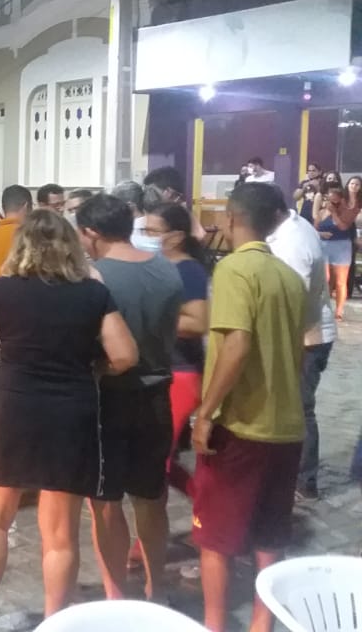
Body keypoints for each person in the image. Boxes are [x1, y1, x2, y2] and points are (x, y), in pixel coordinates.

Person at [0, 210, 138, 632]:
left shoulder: (3, 290)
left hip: (12, 412)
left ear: (21, 245)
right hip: (69, 414)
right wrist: (95, 370)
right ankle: (54, 622)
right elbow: (126, 355)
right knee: (59, 535)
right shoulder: (92, 295)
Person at [191, 182, 306, 632]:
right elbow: (296, 353)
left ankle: (215, 625)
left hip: (241, 426)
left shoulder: (235, 270)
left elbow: (236, 345)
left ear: (233, 218)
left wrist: (205, 412)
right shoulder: (289, 277)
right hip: (286, 424)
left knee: (215, 538)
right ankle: (263, 624)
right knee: (269, 533)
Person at [75, 193, 183, 602]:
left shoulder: (93, 278)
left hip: (108, 398)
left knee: (104, 503)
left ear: (92, 232)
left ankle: (116, 595)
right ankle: (157, 590)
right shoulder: (166, 272)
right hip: (156, 397)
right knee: (151, 498)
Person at [265, 190, 335, 502]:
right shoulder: (293, 226)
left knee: (299, 408)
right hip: (307, 333)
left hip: (306, 338)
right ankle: (293, 474)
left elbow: (292, 301)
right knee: (296, 406)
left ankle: (302, 479)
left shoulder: (291, 242)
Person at [142, 202, 210, 495]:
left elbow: (198, 322)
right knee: (159, 456)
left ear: (176, 236)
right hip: (163, 370)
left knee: (157, 457)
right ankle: (206, 511)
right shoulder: (158, 267)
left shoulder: (189, 270)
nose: (145, 235)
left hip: (182, 373)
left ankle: (207, 518)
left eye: (152, 231)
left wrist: (150, 319)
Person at [314, 181, 357, 320]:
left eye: (336, 195)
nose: (333, 197)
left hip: (341, 245)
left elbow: (343, 227)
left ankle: (339, 310)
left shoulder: (346, 210)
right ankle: (324, 308)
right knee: (325, 278)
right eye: (330, 194)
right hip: (324, 245)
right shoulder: (322, 211)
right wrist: (321, 234)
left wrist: (334, 213)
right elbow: (315, 228)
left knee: (340, 281)